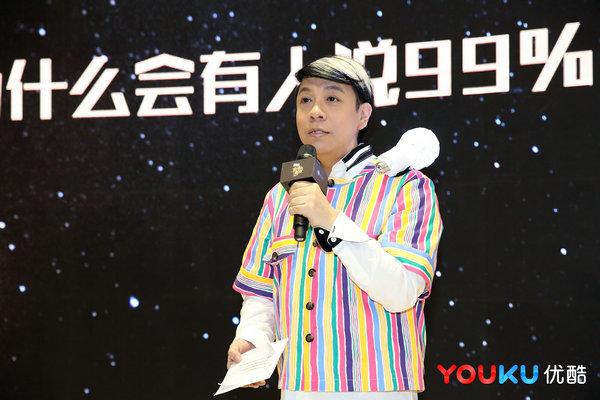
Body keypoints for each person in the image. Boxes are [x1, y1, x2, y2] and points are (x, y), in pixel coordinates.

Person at [227, 55, 443, 399]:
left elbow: (402, 292)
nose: (315, 111)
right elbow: (261, 290)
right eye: (305, 100)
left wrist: (331, 220)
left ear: (363, 115)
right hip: (298, 387)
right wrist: (252, 337)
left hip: (377, 388)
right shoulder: (280, 195)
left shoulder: (405, 186)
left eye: (331, 98)